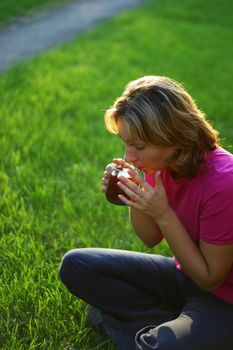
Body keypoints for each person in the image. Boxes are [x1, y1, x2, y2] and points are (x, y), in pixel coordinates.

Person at [59, 76, 233, 350]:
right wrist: (133, 196)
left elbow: (210, 279)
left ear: (174, 138)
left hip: (223, 299)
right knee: (76, 265)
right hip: (182, 275)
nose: (129, 157)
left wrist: (164, 214)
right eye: (126, 143)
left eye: (139, 146)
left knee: (164, 347)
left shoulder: (225, 182)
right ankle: (169, 326)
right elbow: (150, 238)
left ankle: (131, 328)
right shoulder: (160, 164)